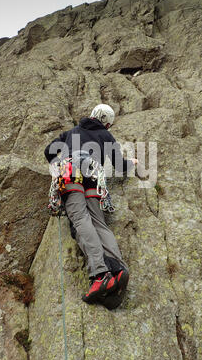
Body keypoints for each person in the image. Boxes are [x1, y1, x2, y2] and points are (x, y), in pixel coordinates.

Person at [44, 104, 138, 309]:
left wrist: (60, 160)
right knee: (99, 223)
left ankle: (100, 274)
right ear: (107, 122)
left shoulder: (71, 132)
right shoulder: (106, 135)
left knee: (79, 219)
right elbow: (120, 166)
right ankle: (117, 268)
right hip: (94, 177)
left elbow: (48, 151)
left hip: (71, 174)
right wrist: (132, 162)